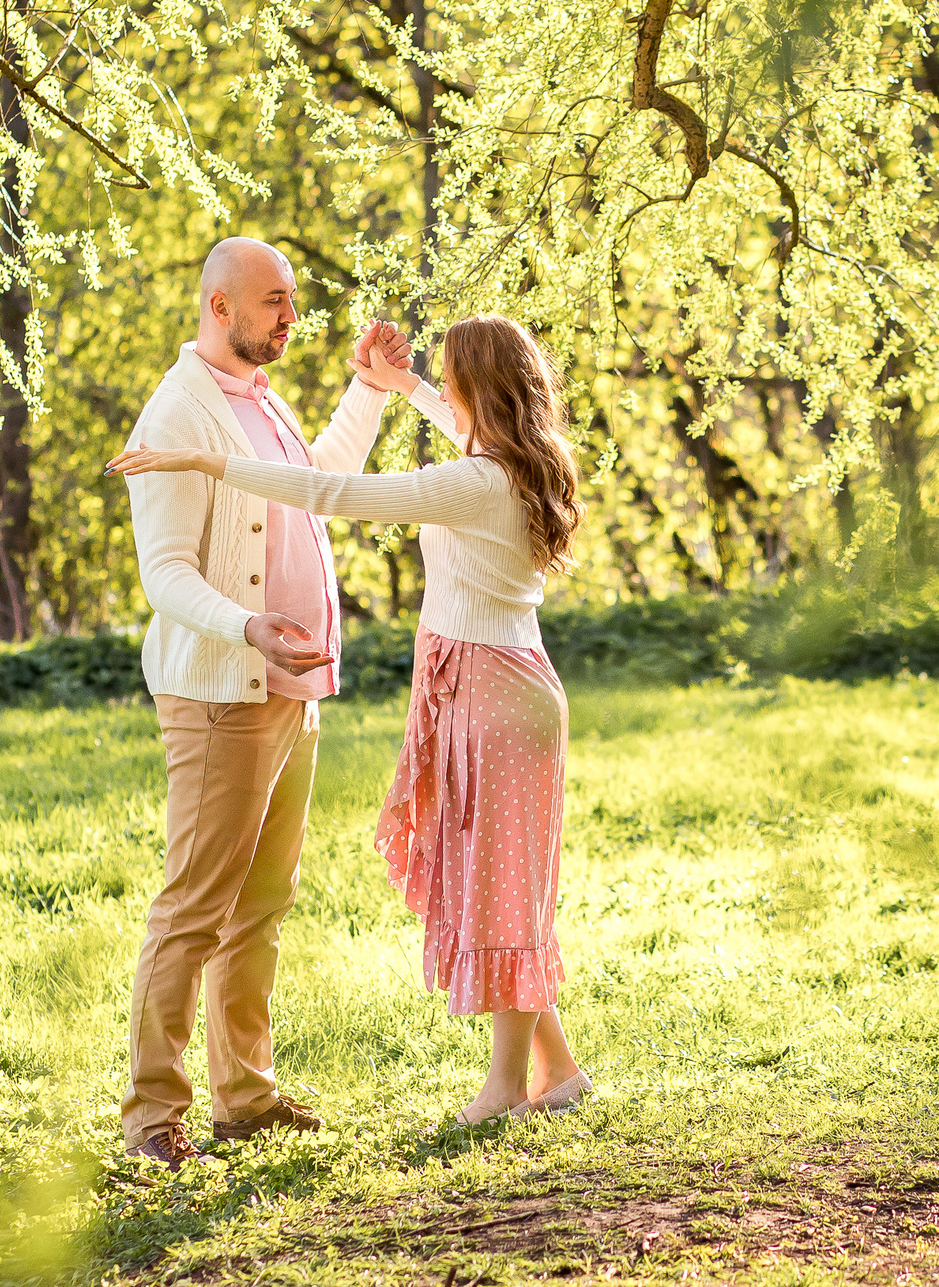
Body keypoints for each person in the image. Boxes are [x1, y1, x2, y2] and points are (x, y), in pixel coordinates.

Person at [110, 313, 591, 1127]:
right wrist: (401, 386)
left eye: (451, 382)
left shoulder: (474, 481)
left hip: (494, 697)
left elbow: (333, 493)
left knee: (500, 894)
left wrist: (207, 461)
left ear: (479, 392)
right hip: (498, 686)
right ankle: (561, 1069)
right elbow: (457, 421)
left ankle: (509, 1085)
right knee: (494, 884)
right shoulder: (517, 456)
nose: (445, 395)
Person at [117, 236, 416, 1167]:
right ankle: (152, 1117)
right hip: (223, 695)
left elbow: (316, 487)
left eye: (291, 297)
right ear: (221, 306)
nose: (292, 315)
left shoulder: (259, 396)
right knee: (195, 907)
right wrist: (247, 626)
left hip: (291, 691)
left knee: (261, 905)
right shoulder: (179, 412)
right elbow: (165, 573)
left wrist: (369, 389)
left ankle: (244, 1098)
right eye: (274, 300)